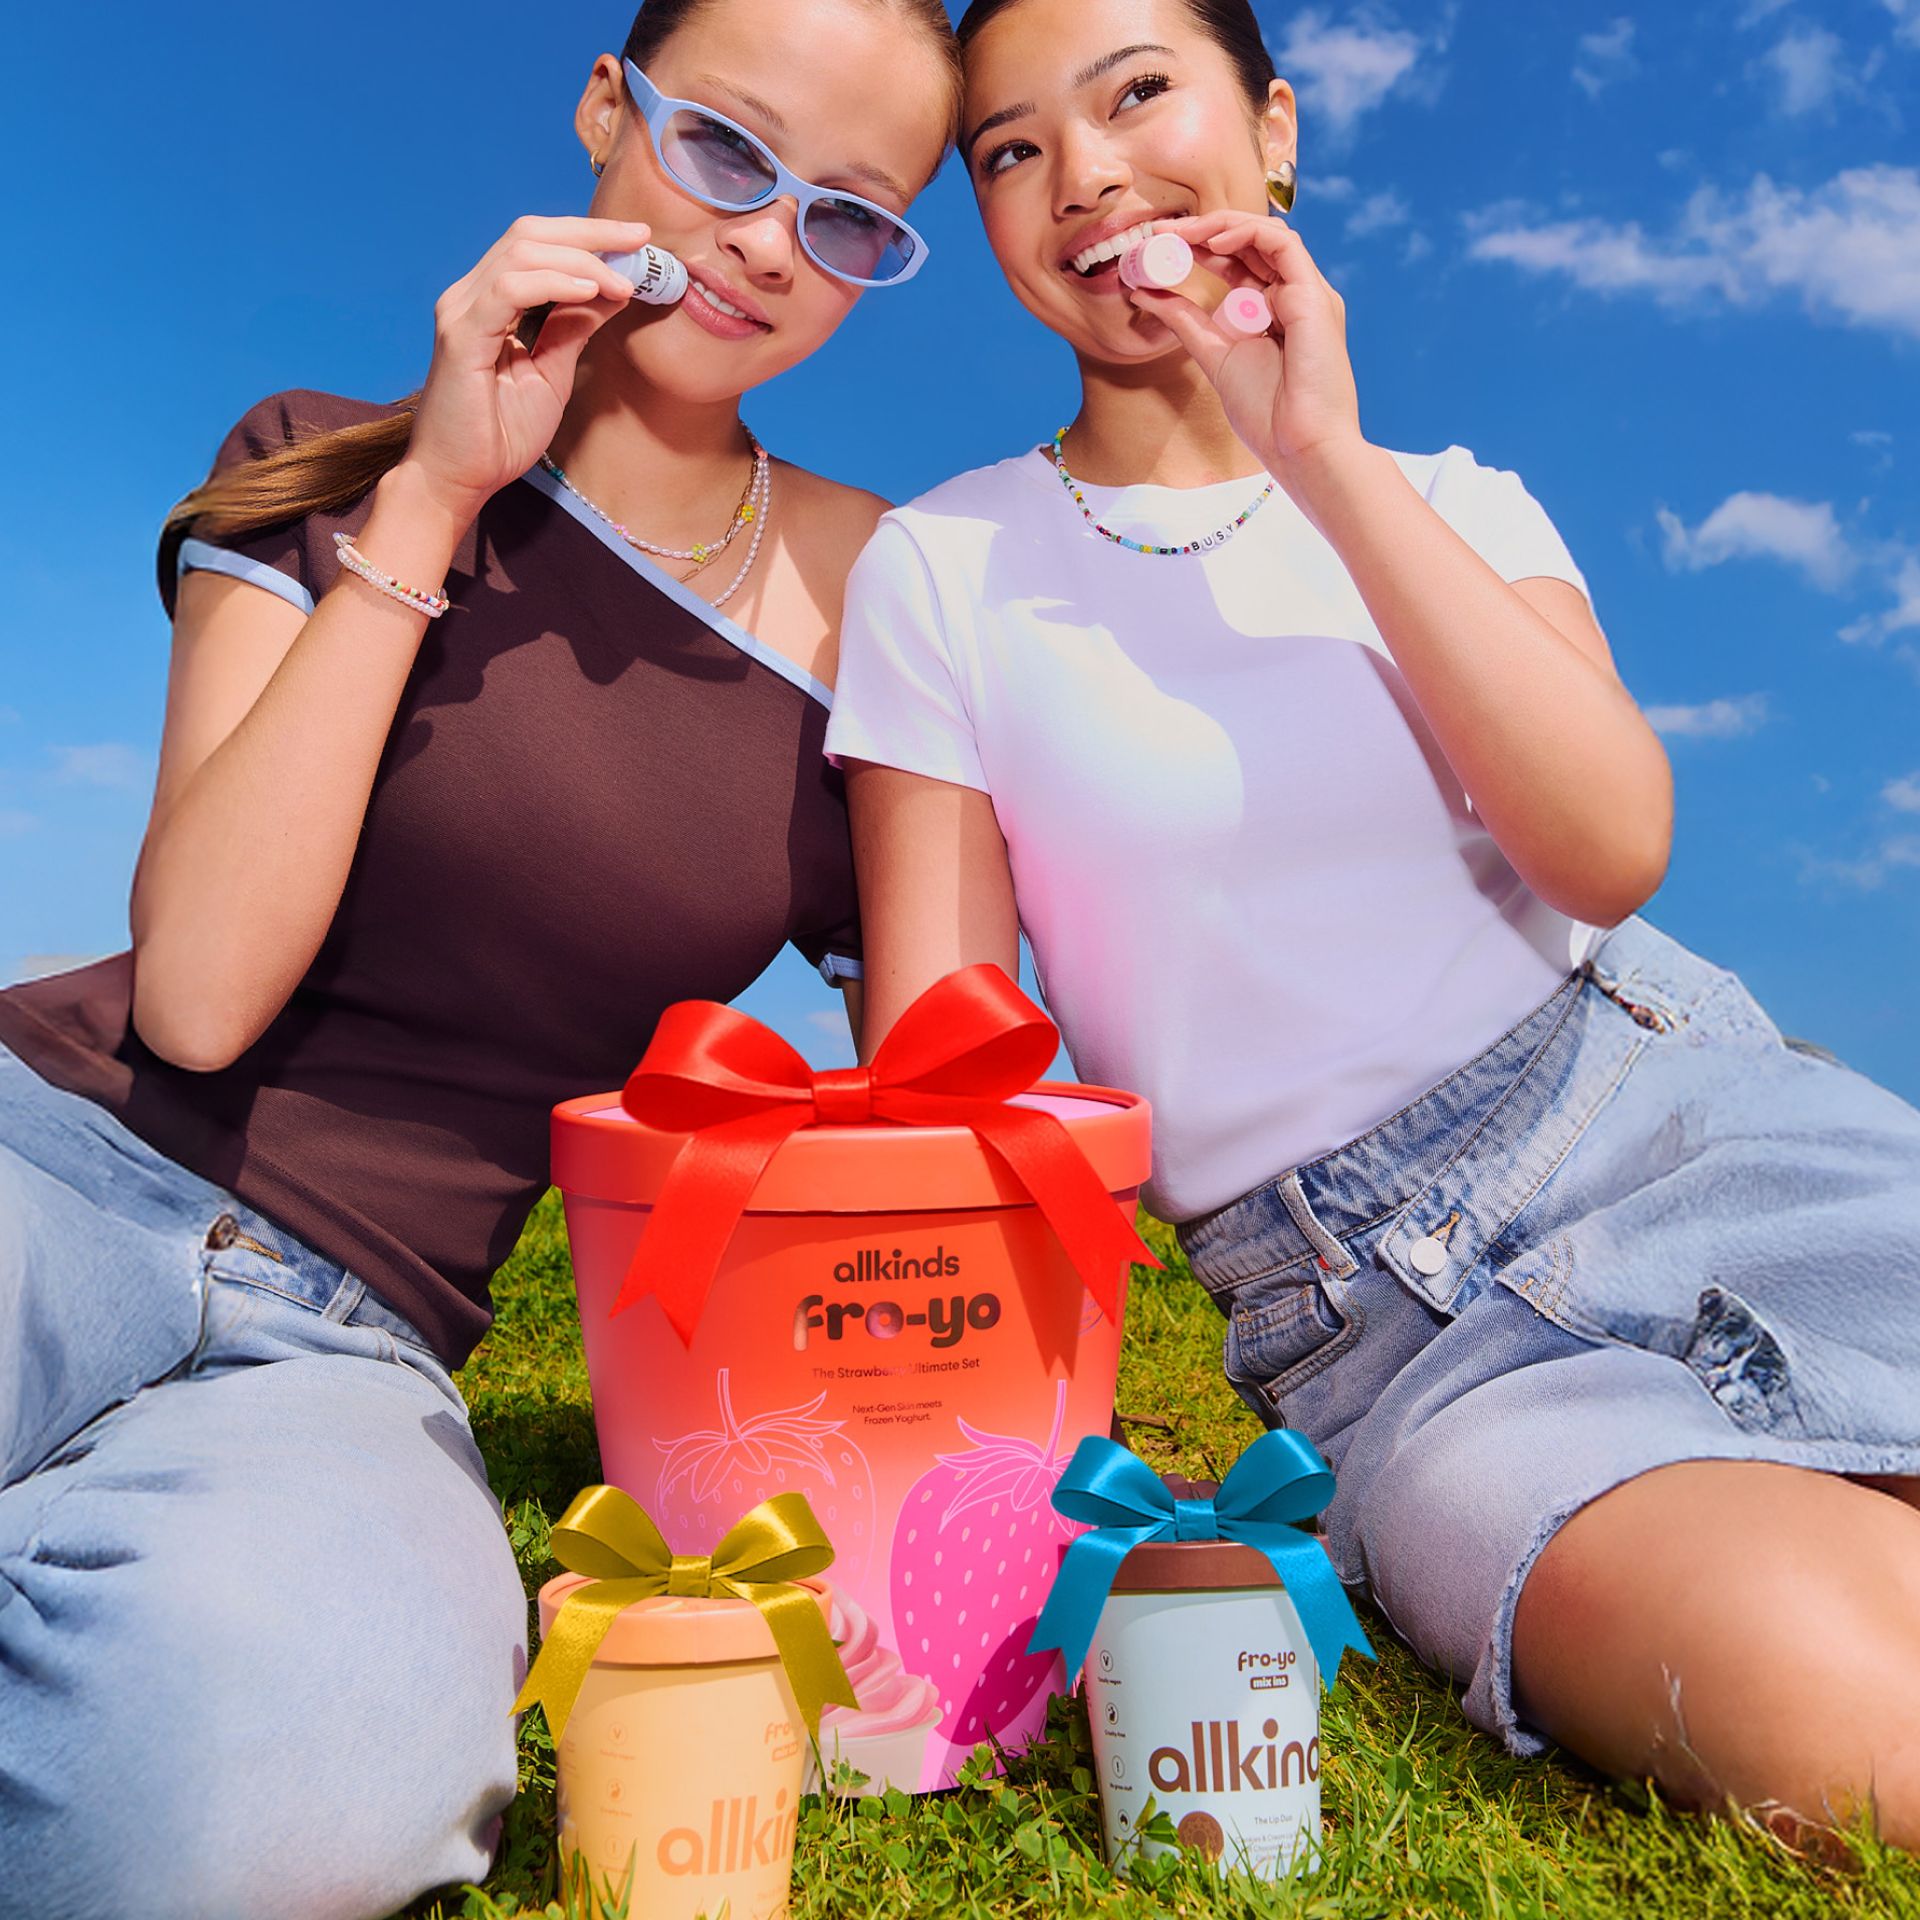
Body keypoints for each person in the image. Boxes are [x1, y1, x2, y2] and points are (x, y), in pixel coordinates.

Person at [825, 0, 1920, 1851]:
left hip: (1659, 1111)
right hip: (1376, 1333)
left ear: (1278, 135)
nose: (1081, 173)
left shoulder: (1451, 499)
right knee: (1838, 1721)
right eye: (1009, 149)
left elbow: (1606, 849)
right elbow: (947, 1057)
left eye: (1137, 95)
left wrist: (1313, 447)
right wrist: (994, 1497)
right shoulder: (942, 567)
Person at [0, 1, 958, 1912]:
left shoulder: (889, 599)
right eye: (729, 152)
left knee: (261, 1822)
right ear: (610, 110)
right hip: (51, 1164)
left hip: (351, 1346)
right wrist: (438, 494)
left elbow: (952, 1059)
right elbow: (198, 993)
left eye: (852, 215)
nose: (771, 240)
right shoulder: (320, 464)